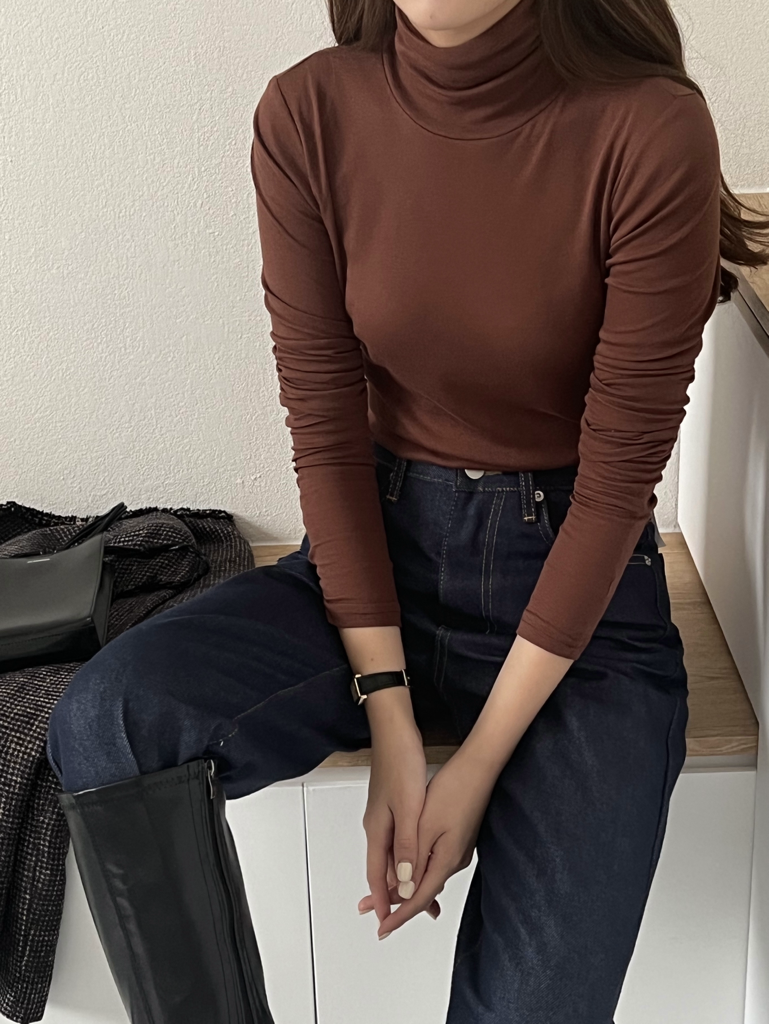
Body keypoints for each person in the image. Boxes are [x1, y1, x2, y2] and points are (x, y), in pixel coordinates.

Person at [46, 0, 769, 1021]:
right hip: (375, 565)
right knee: (109, 724)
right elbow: (325, 427)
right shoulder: (309, 113)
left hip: (579, 601)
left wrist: (474, 765)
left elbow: (616, 482)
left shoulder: (648, 127)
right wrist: (390, 719)